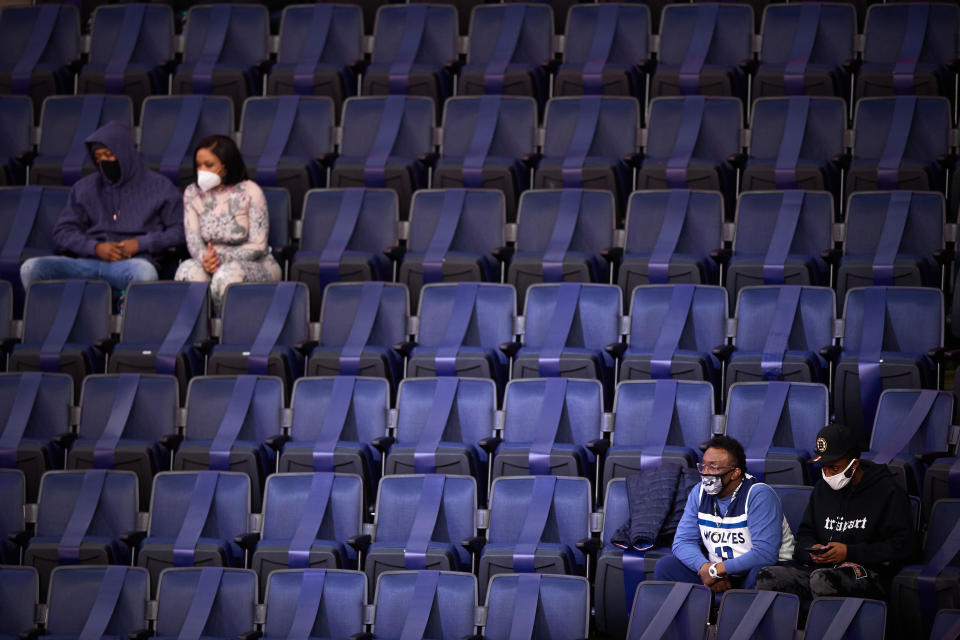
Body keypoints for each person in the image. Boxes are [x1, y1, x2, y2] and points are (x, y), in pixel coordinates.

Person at [20, 121, 184, 299]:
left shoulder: (160, 187)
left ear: (125, 153)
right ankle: (51, 318)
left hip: (132, 263)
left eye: (109, 155)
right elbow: (62, 231)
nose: (104, 162)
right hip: (86, 262)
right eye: (98, 158)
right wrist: (95, 247)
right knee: (31, 268)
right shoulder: (84, 188)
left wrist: (140, 244)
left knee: (145, 274)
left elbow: (179, 231)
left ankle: (120, 308)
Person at [755, 422, 917, 599]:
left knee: (821, 579)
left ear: (854, 464)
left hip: (867, 573)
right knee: (767, 577)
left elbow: (904, 546)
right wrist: (812, 551)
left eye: (834, 468)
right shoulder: (821, 489)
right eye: (823, 467)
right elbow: (804, 537)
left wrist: (849, 552)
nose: (828, 474)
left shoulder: (887, 491)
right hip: (820, 571)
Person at [653, 435, 795, 591]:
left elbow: (765, 554)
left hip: (761, 571)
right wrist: (705, 568)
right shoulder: (699, 492)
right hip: (719, 572)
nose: (705, 473)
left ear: (735, 473)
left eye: (713, 467)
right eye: (703, 466)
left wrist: (717, 570)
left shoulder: (759, 495)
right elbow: (682, 542)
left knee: (761, 574)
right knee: (665, 567)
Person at [174, 134, 280, 311]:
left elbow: (259, 245)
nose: (202, 171)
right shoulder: (192, 193)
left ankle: (226, 331)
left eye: (209, 165)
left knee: (226, 276)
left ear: (226, 166)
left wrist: (221, 259)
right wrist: (204, 258)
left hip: (256, 264)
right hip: (209, 262)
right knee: (187, 272)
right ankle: (197, 332)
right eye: (198, 165)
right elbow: (193, 242)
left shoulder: (251, 191)